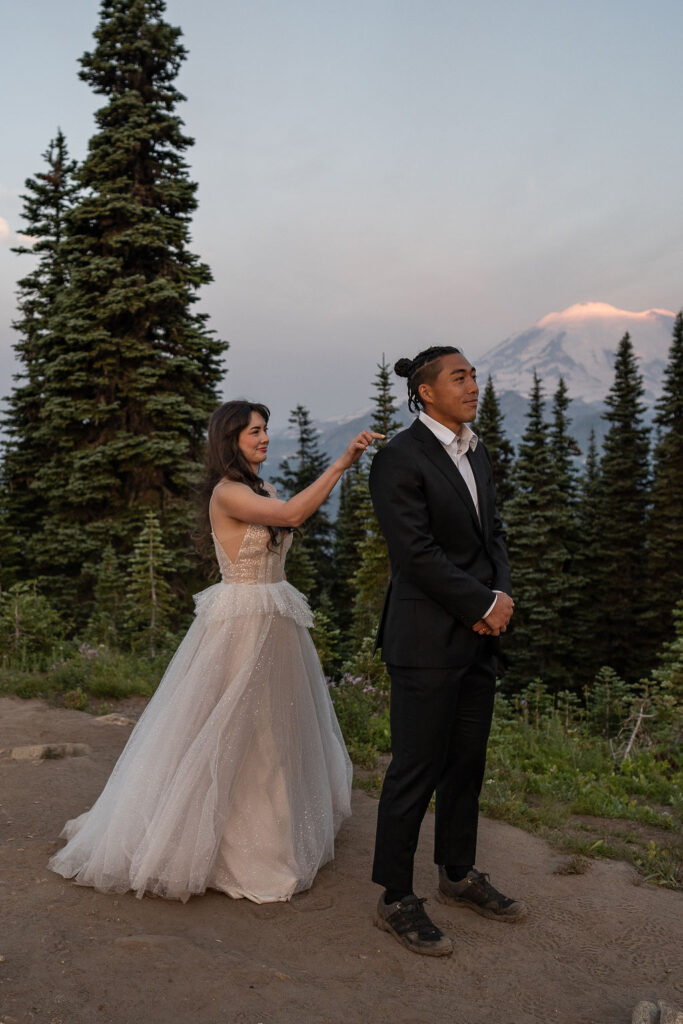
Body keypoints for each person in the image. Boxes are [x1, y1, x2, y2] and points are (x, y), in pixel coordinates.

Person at [49, 400, 380, 904]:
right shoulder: (228, 493)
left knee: (274, 727)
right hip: (242, 624)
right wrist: (340, 464)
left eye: (266, 430)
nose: (264, 438)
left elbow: (282, 515)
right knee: (236, 728)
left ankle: (270, 837)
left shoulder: (259, 487)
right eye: (254, 432)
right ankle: (225, 847)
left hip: (275, 620)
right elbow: (291, 514)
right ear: (230, 440)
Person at [368, 346, 527, 957]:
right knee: (416, 768)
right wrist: (482, 603)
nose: (473, 385)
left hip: (477, 638)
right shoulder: (399, 458)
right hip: (424, 640)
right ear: (427, 391)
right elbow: (414, 553)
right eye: (460, 377)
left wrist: (501, 594)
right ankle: (395, 896)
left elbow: (494, 534)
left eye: (475, 376)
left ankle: (457, 874)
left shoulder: (476, 449)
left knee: (466, 764)